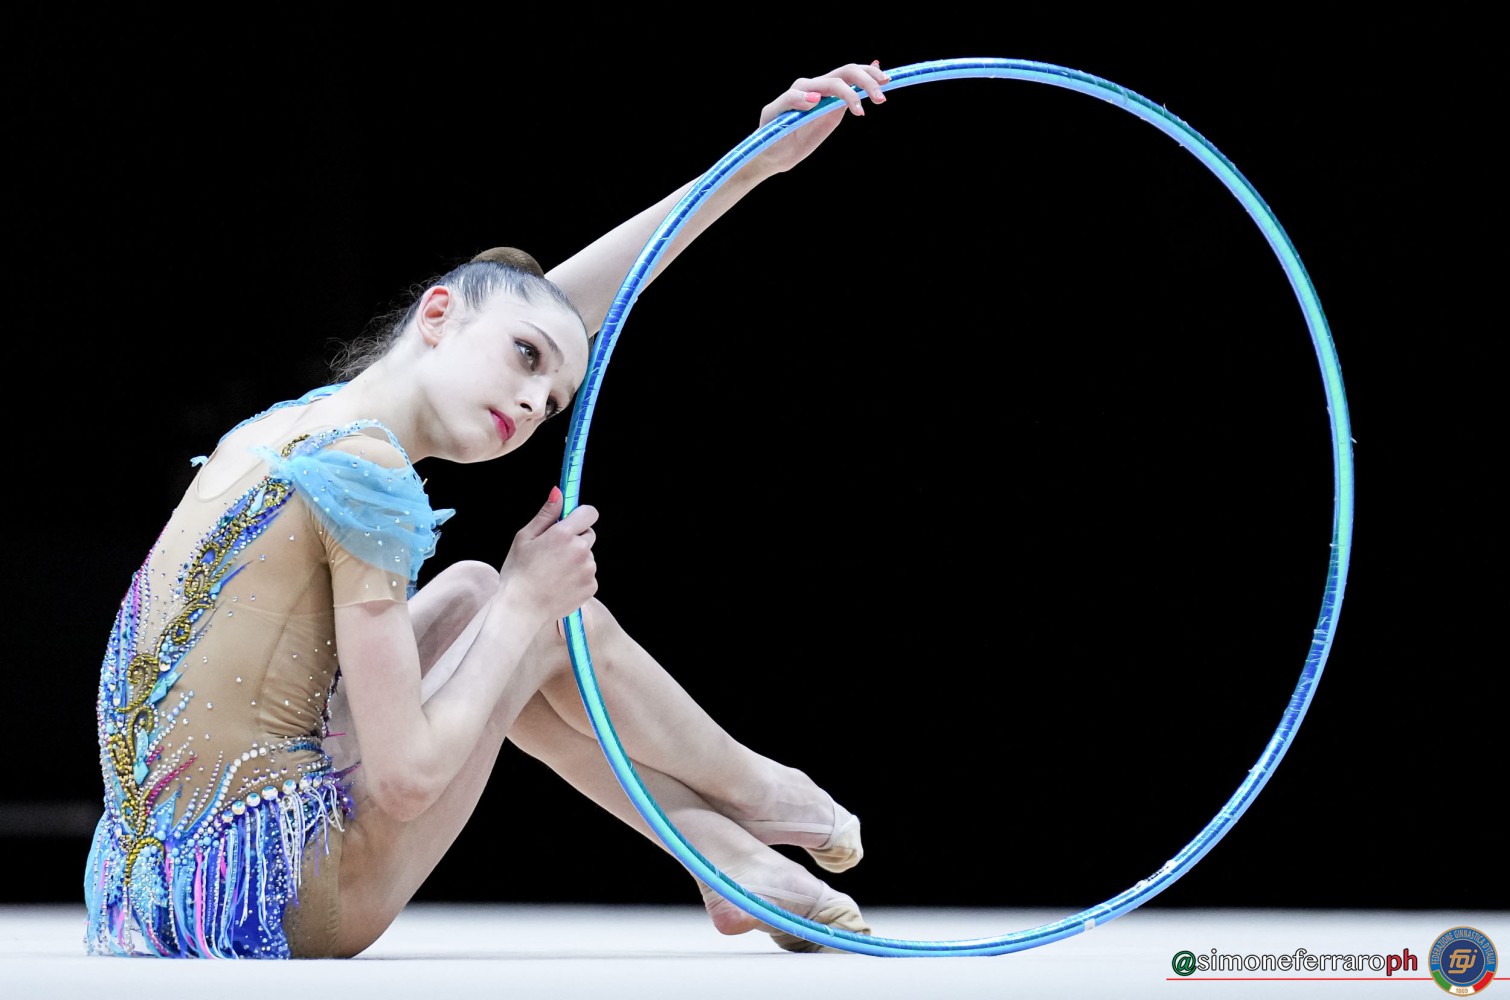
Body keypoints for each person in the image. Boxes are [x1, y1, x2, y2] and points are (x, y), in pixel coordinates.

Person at [83, 59, 891, 960]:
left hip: (146, 888)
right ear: (437, 315)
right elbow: (407, 778)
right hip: (269, 897)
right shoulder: (363, 471)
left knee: (472, 590)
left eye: (551, 404)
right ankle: (758, 798)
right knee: (527, 620)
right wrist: (525, 604)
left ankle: (733, 861)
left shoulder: (298, 428)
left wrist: (748, 165)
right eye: (525, 361)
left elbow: (546, 314)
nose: (534, 402)